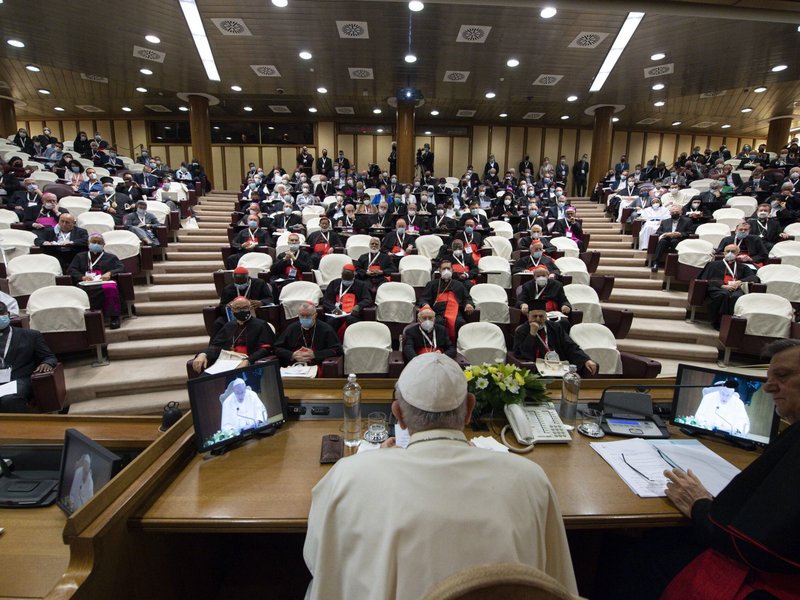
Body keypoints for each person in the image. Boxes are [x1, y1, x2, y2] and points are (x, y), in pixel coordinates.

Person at [303, 352, 577, 599]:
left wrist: (374, 461)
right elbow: (556, 586)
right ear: (469, 409)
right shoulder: (531, 479)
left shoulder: (347, 477)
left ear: (398, 415)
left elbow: (319, 562)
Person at [606, 340, 800, 599]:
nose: (768, 386)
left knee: (648, 548)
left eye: (783, 376)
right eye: (768, 377)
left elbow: (755, 541)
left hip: (771, 583)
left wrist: (700, 506)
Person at [512, 301, 598, 375]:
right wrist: (531, 335)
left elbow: (570, 345)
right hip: (536, 368)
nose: (538, 319)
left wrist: (585, 360)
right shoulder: (521, 331)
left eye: (541, 316)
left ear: (546, 316)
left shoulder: (555, 327)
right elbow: (520, 354)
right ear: (528, 316)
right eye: (534, 316)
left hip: (557, 366)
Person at [192, 296, 275, 374]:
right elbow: (216, 346)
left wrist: (248, 361)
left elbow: (265, 349)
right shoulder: (229, 326)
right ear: (232, 310)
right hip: (227, 362)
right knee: (205, 378)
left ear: (250, 308)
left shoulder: (261, 325)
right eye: (238, 309)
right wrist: (203, 354)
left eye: (245, 308)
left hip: (248, 363)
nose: (242, 311)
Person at [0, 301, 57, 413]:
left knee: (9, 399)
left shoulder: (30, 335)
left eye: (1, 313)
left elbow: (49, 357)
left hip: (18, 380)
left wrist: (47, 363)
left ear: (8, 314)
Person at [66, 233, 125, 329]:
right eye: (94, 242)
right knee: (80, 290)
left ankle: (114, 317)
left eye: (99, 242)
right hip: (86, 281)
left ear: (104, 244)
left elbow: (121, 267)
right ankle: (86, 319)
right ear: (88, 243)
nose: (96, 244)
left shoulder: (111, 257)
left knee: (111, 288)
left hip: (104, 281)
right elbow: (71, 270)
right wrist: (82, 277)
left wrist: (110, 273)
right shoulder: (80, 256)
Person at [698, 244, 759, 330]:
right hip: (718, 288)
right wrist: (722, 286)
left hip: (736, 289)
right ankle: (718, 322)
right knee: (723, 295)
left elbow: (754, 277)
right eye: (728, 251)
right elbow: (704, 279)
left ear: (737, 253)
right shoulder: (712, 265)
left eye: (733, 252)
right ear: (724, 253)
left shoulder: (743, 266)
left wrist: (739, 281)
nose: (730, 253)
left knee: (737, 297)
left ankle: (731, 325)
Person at [274, 302, 342, 372]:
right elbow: (277, 348)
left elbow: (337, 350)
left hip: (317, 365)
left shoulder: (326, 329)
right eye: (302, 316)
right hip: (294, 366)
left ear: (315, 315)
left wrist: (315, 355)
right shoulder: (292, 328)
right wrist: (292, 355)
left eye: (308, 316)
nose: (305, 318)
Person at [418, 261, 475, 341]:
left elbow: (467, 298)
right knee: (438, 322)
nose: (446, 270)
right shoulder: (432, 284)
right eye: (444, 268)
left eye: (448, 268)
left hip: (455, 313)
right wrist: (425, 305)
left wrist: (469, 304)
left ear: (452, 270)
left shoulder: (459, 284)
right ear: (439, 270)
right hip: (437, 312)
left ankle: (457, 346)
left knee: (460, 323)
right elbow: (424, 298)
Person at [321, 263, 373, 337]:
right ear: (341, 275)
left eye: (349, 279)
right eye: (345, 279)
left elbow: (368, 299)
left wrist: (358, 306)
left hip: (352, 313)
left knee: (351, 320)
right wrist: (333, 309)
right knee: (332, 321)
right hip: (336, 313)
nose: (346, 281)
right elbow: (326, 300)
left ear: (354, 275)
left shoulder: (361, 285)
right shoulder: (334, 283)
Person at [649, 205, 694, 271]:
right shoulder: (665, 221)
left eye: (676, 212)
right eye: (673, 212)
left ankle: (676, 264)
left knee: (674, 241)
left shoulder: (687, 221)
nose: (675, 214)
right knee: (662, 242)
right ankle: (656, 263)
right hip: (667, 238)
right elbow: (658, 232)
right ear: (670, 213)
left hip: (678, 239)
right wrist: (666, 234)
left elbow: (690, 232)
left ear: (681, 213)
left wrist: (680, 234)